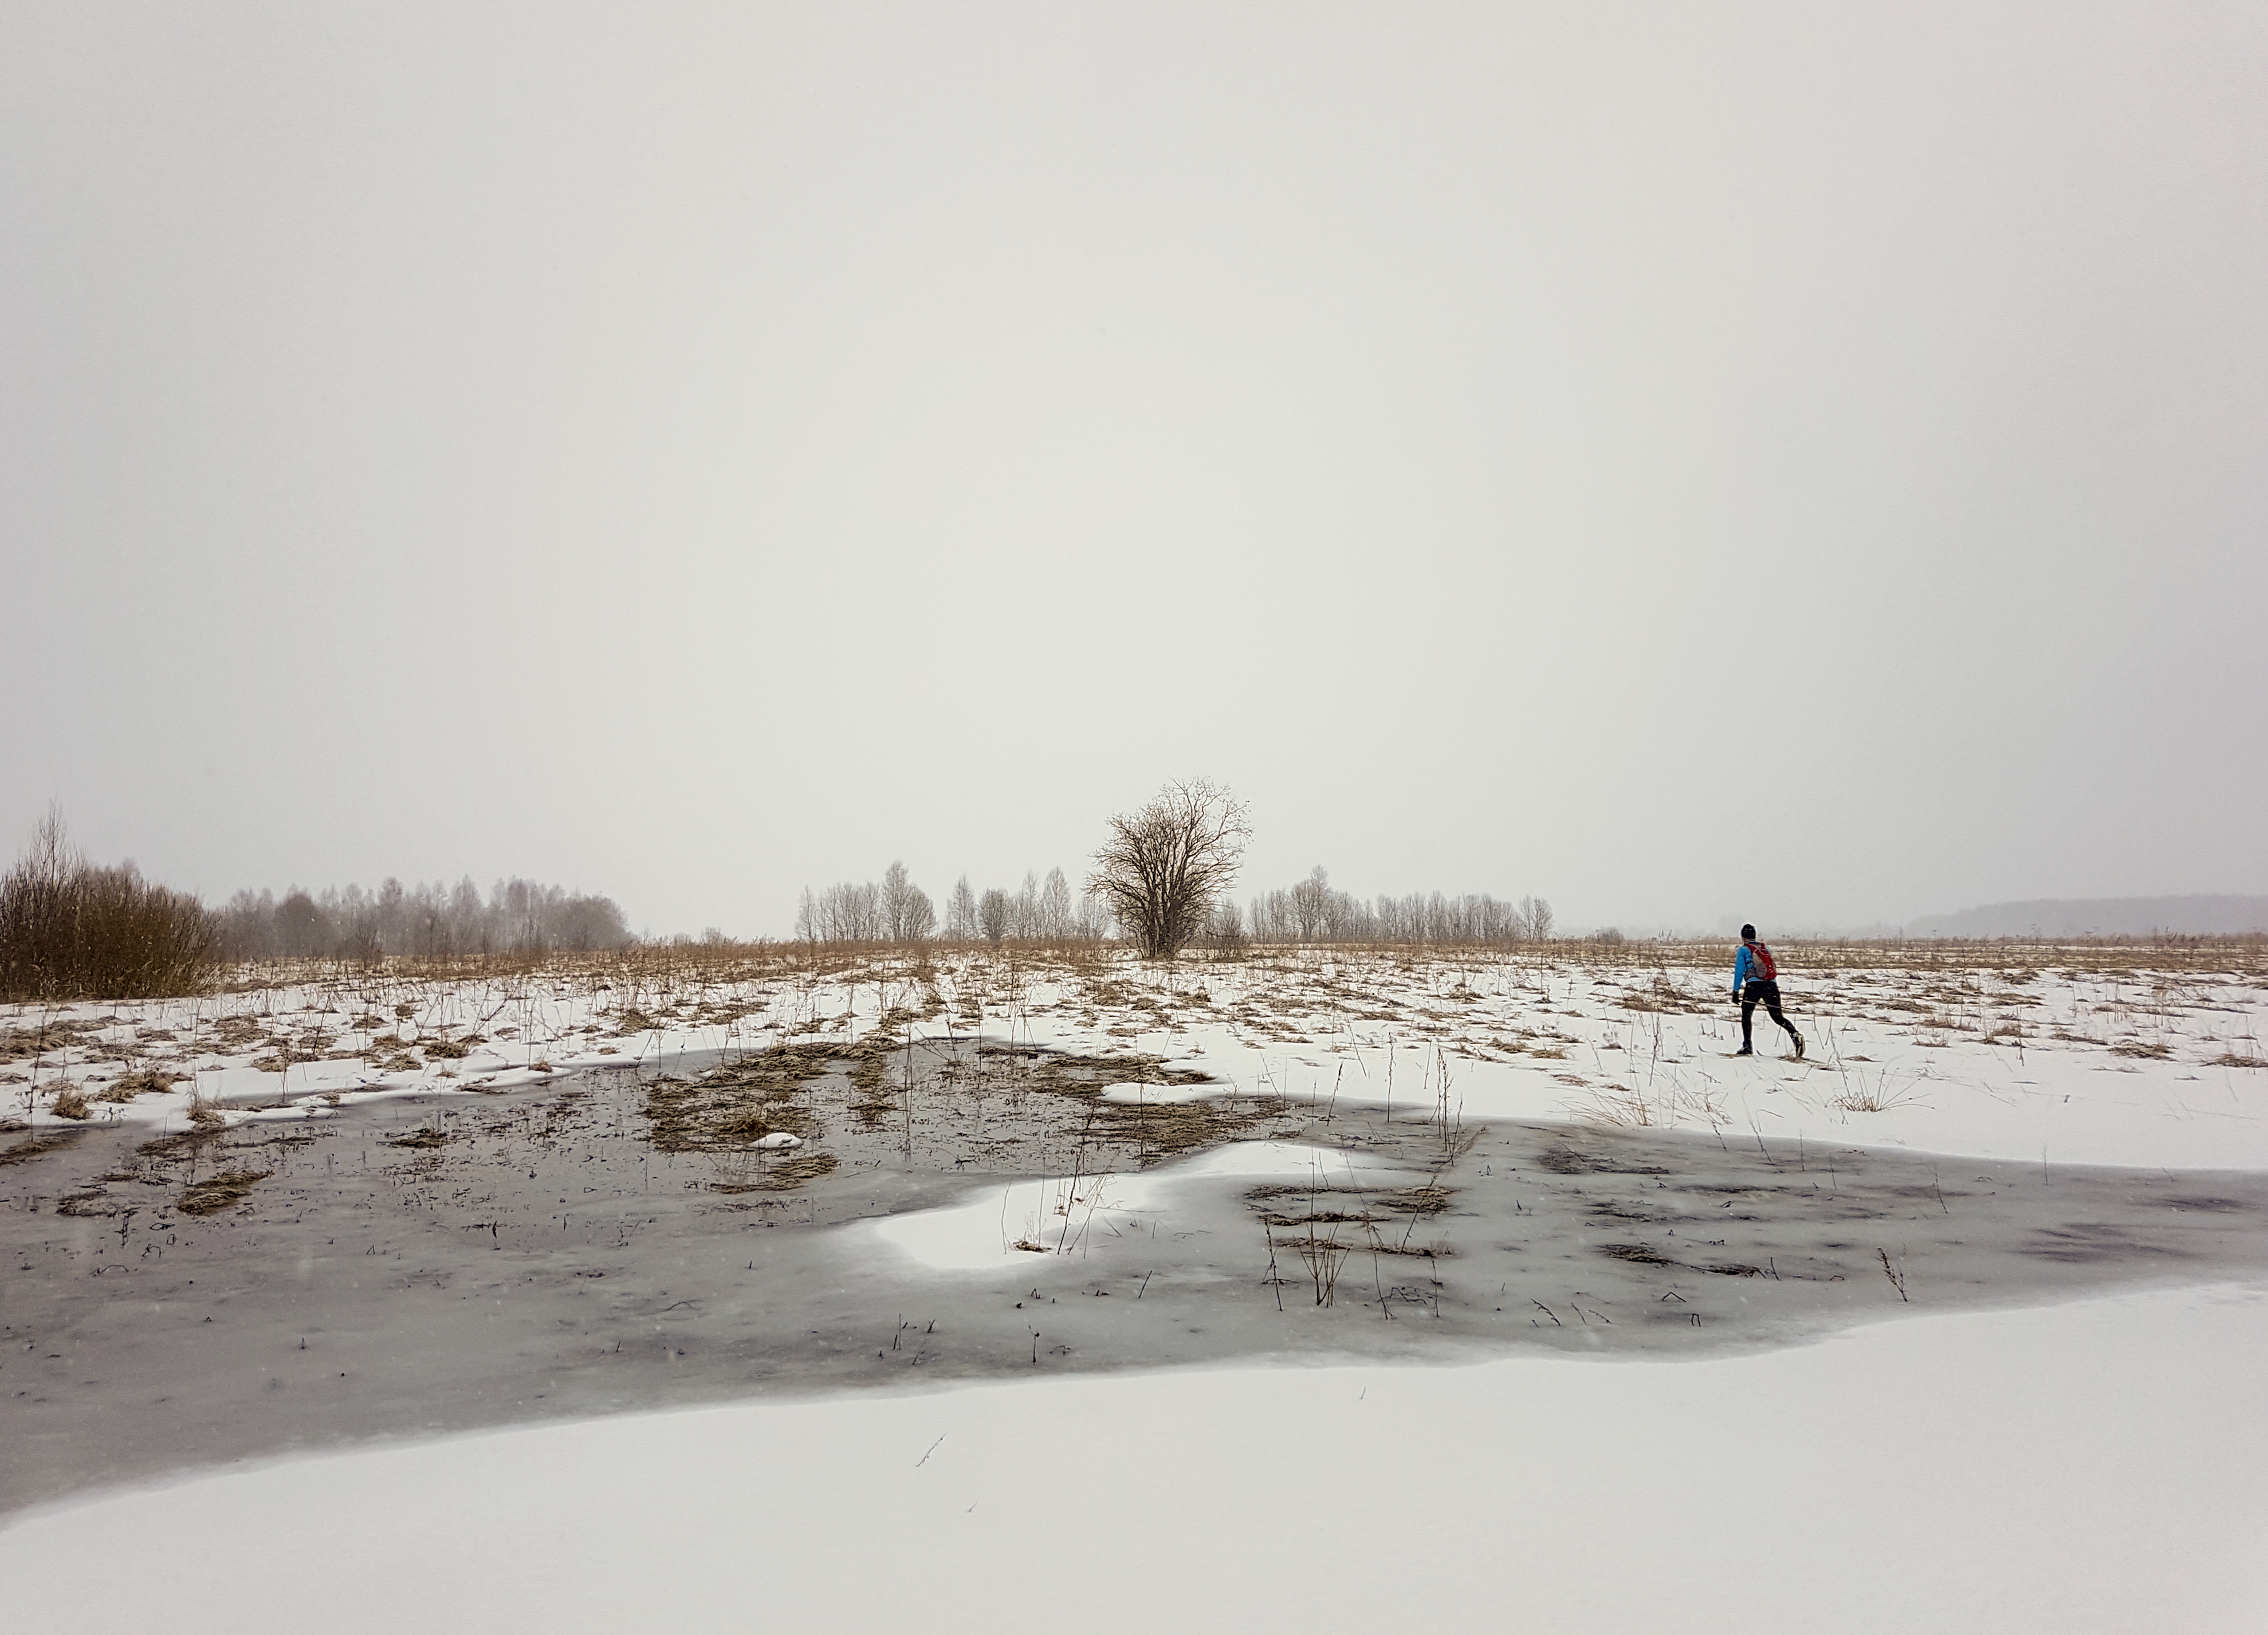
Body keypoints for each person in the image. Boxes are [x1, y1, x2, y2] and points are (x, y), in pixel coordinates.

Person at [1732, 923, 1803, 1058]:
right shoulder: (1766, 948)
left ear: (1743, 937)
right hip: (1771, 985)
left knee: (1747, 1015)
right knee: (1778, 1017)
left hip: (1754, 986)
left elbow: (1739, 971)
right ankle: (1795, 1035)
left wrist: (1736, 991)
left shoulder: (1743, 950)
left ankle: (1747, 1046)